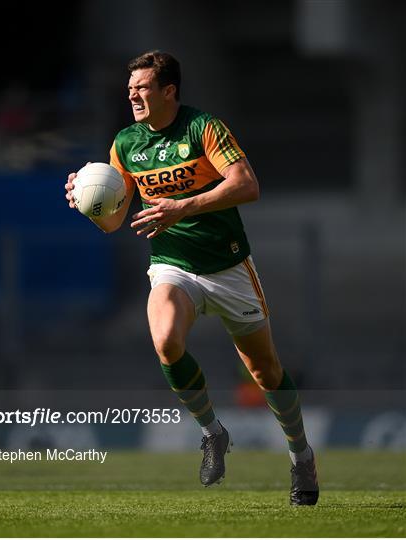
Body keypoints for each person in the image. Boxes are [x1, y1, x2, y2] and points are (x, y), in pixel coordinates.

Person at [65, 51, 319, 505]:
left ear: (169, 91)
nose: (133, 95)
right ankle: (212, 433)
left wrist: (182, 206)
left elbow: (247, 184)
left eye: (142, 87)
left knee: (264, 370)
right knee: (165, 341)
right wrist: (89, 204)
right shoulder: (125, 144)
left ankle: (301, 457)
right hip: (171, 265)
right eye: (130, 89)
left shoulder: (204, 128)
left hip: (228, 266)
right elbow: (114, 221)